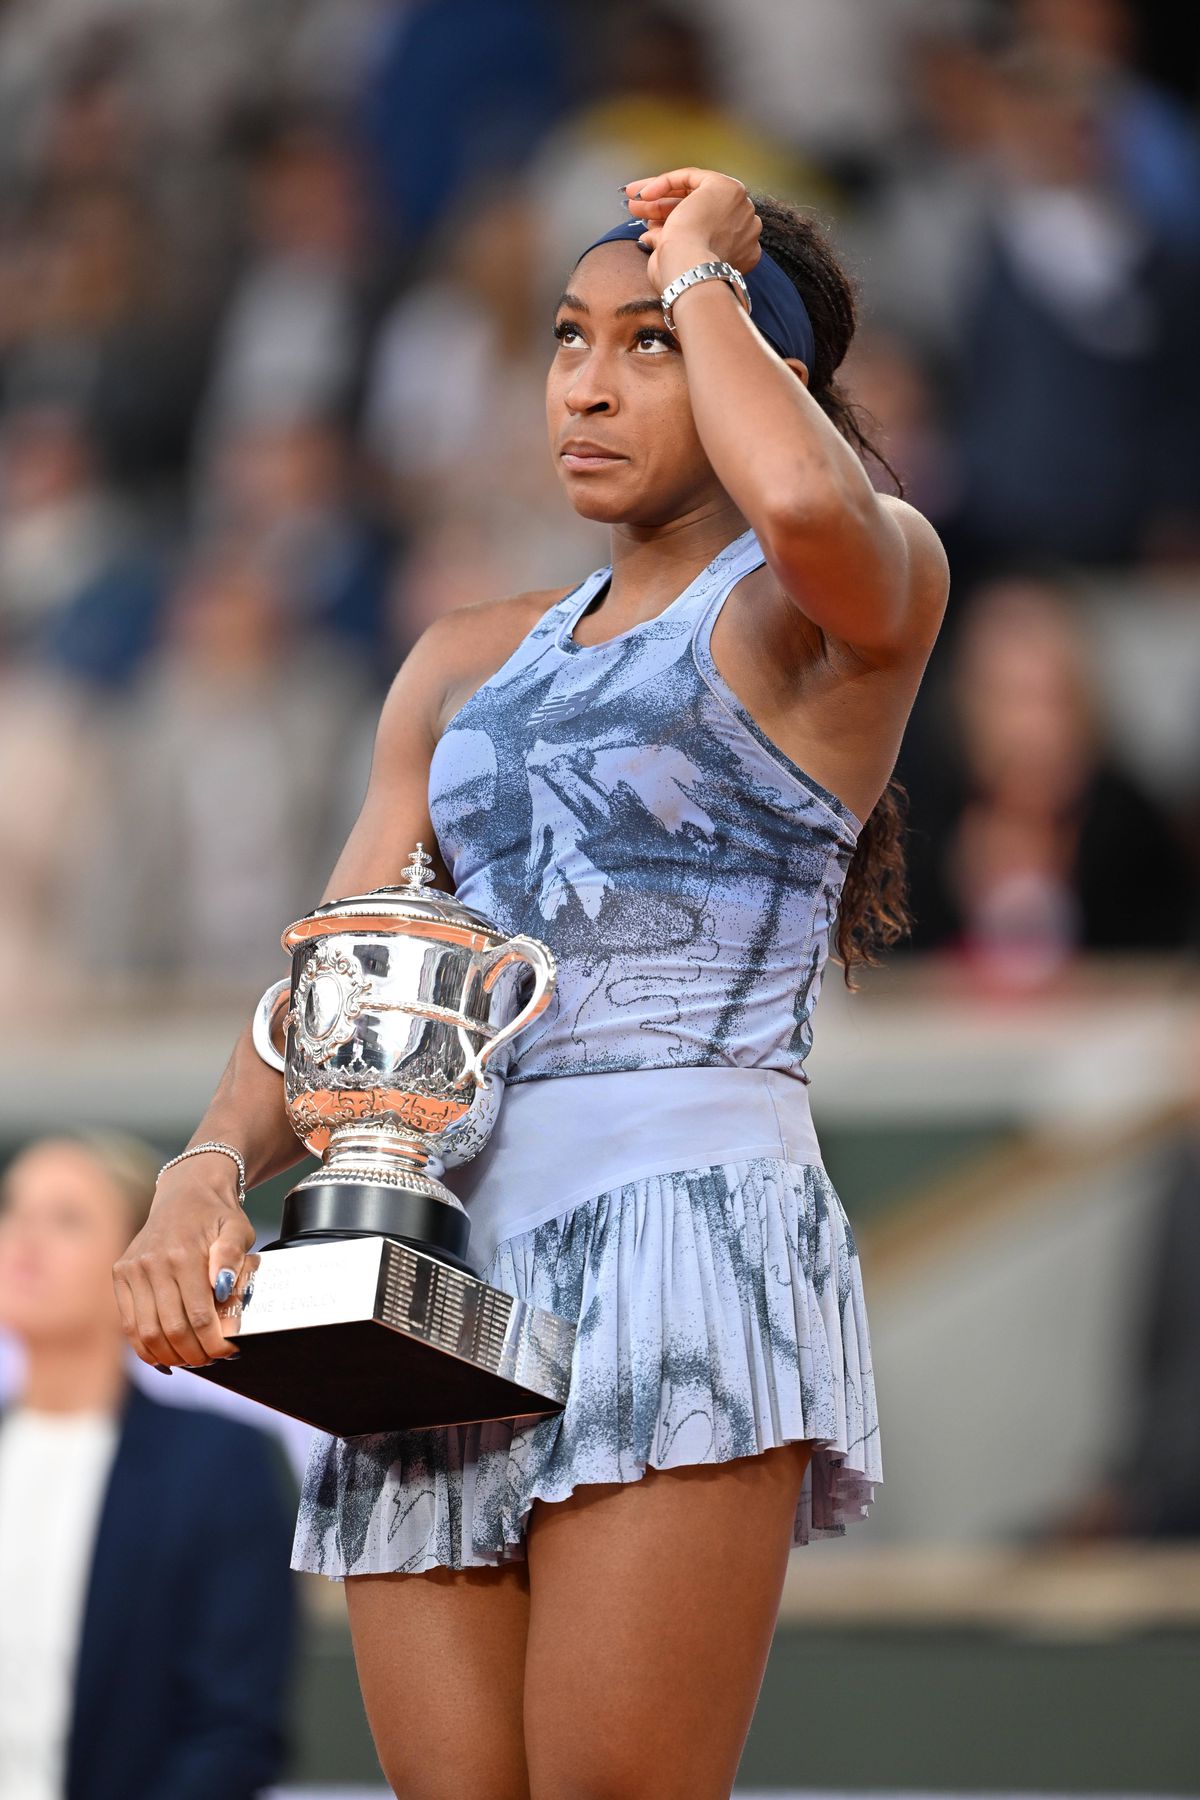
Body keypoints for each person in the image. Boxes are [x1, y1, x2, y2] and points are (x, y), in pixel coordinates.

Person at [115, 167, 949, 1800]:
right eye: (569, 339)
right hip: (435, 1276)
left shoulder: (840, 597)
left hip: (685, 1234)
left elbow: (799, 508)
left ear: (746, 369)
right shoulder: (456, 660)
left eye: (647, 343)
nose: (584, 379)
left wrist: (710, 264)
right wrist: (206, 1164)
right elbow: (350, 971)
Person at [0, 1129, 297, 1800]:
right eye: (14, 1210)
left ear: (142, 1264)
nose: (24, 1240)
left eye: (67, 1221)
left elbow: (233, 1728)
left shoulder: (218, 1465)